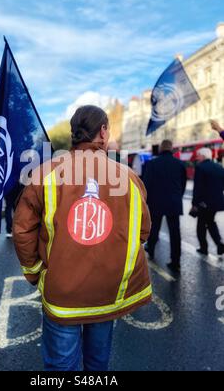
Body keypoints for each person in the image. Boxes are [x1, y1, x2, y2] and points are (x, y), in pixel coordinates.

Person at [13, 105, 152, 372]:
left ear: (74, 134)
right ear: (102, 132)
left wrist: (35, 273)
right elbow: (143, 232)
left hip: (63, 294)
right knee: (97, 366)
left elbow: (22, 231)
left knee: (61, 367)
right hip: (108, 292)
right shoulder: (129, 177)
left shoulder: (45, 174)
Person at [143, 140, 187, 273]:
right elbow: (183, 184)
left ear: (161, 148)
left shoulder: (152, 163)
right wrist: (177, 197)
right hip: (174, 203)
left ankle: (151, 249)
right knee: (175, 233)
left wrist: (147, 201)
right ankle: (176, 261)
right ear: (172, 148)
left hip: (156, 202)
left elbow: (146, 184)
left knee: (154, 228)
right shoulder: (180, 164)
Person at [192, 148, 224, 256]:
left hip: (204, 203)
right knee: (210, 222)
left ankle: (203, 248)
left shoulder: (200, 167)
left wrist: (195, 203)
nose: (197, 157)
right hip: (217, 202)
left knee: (201, 226)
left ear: (203, 156)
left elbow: (198, 188)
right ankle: (219, 243)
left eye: (198, 155)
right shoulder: (219, 167)